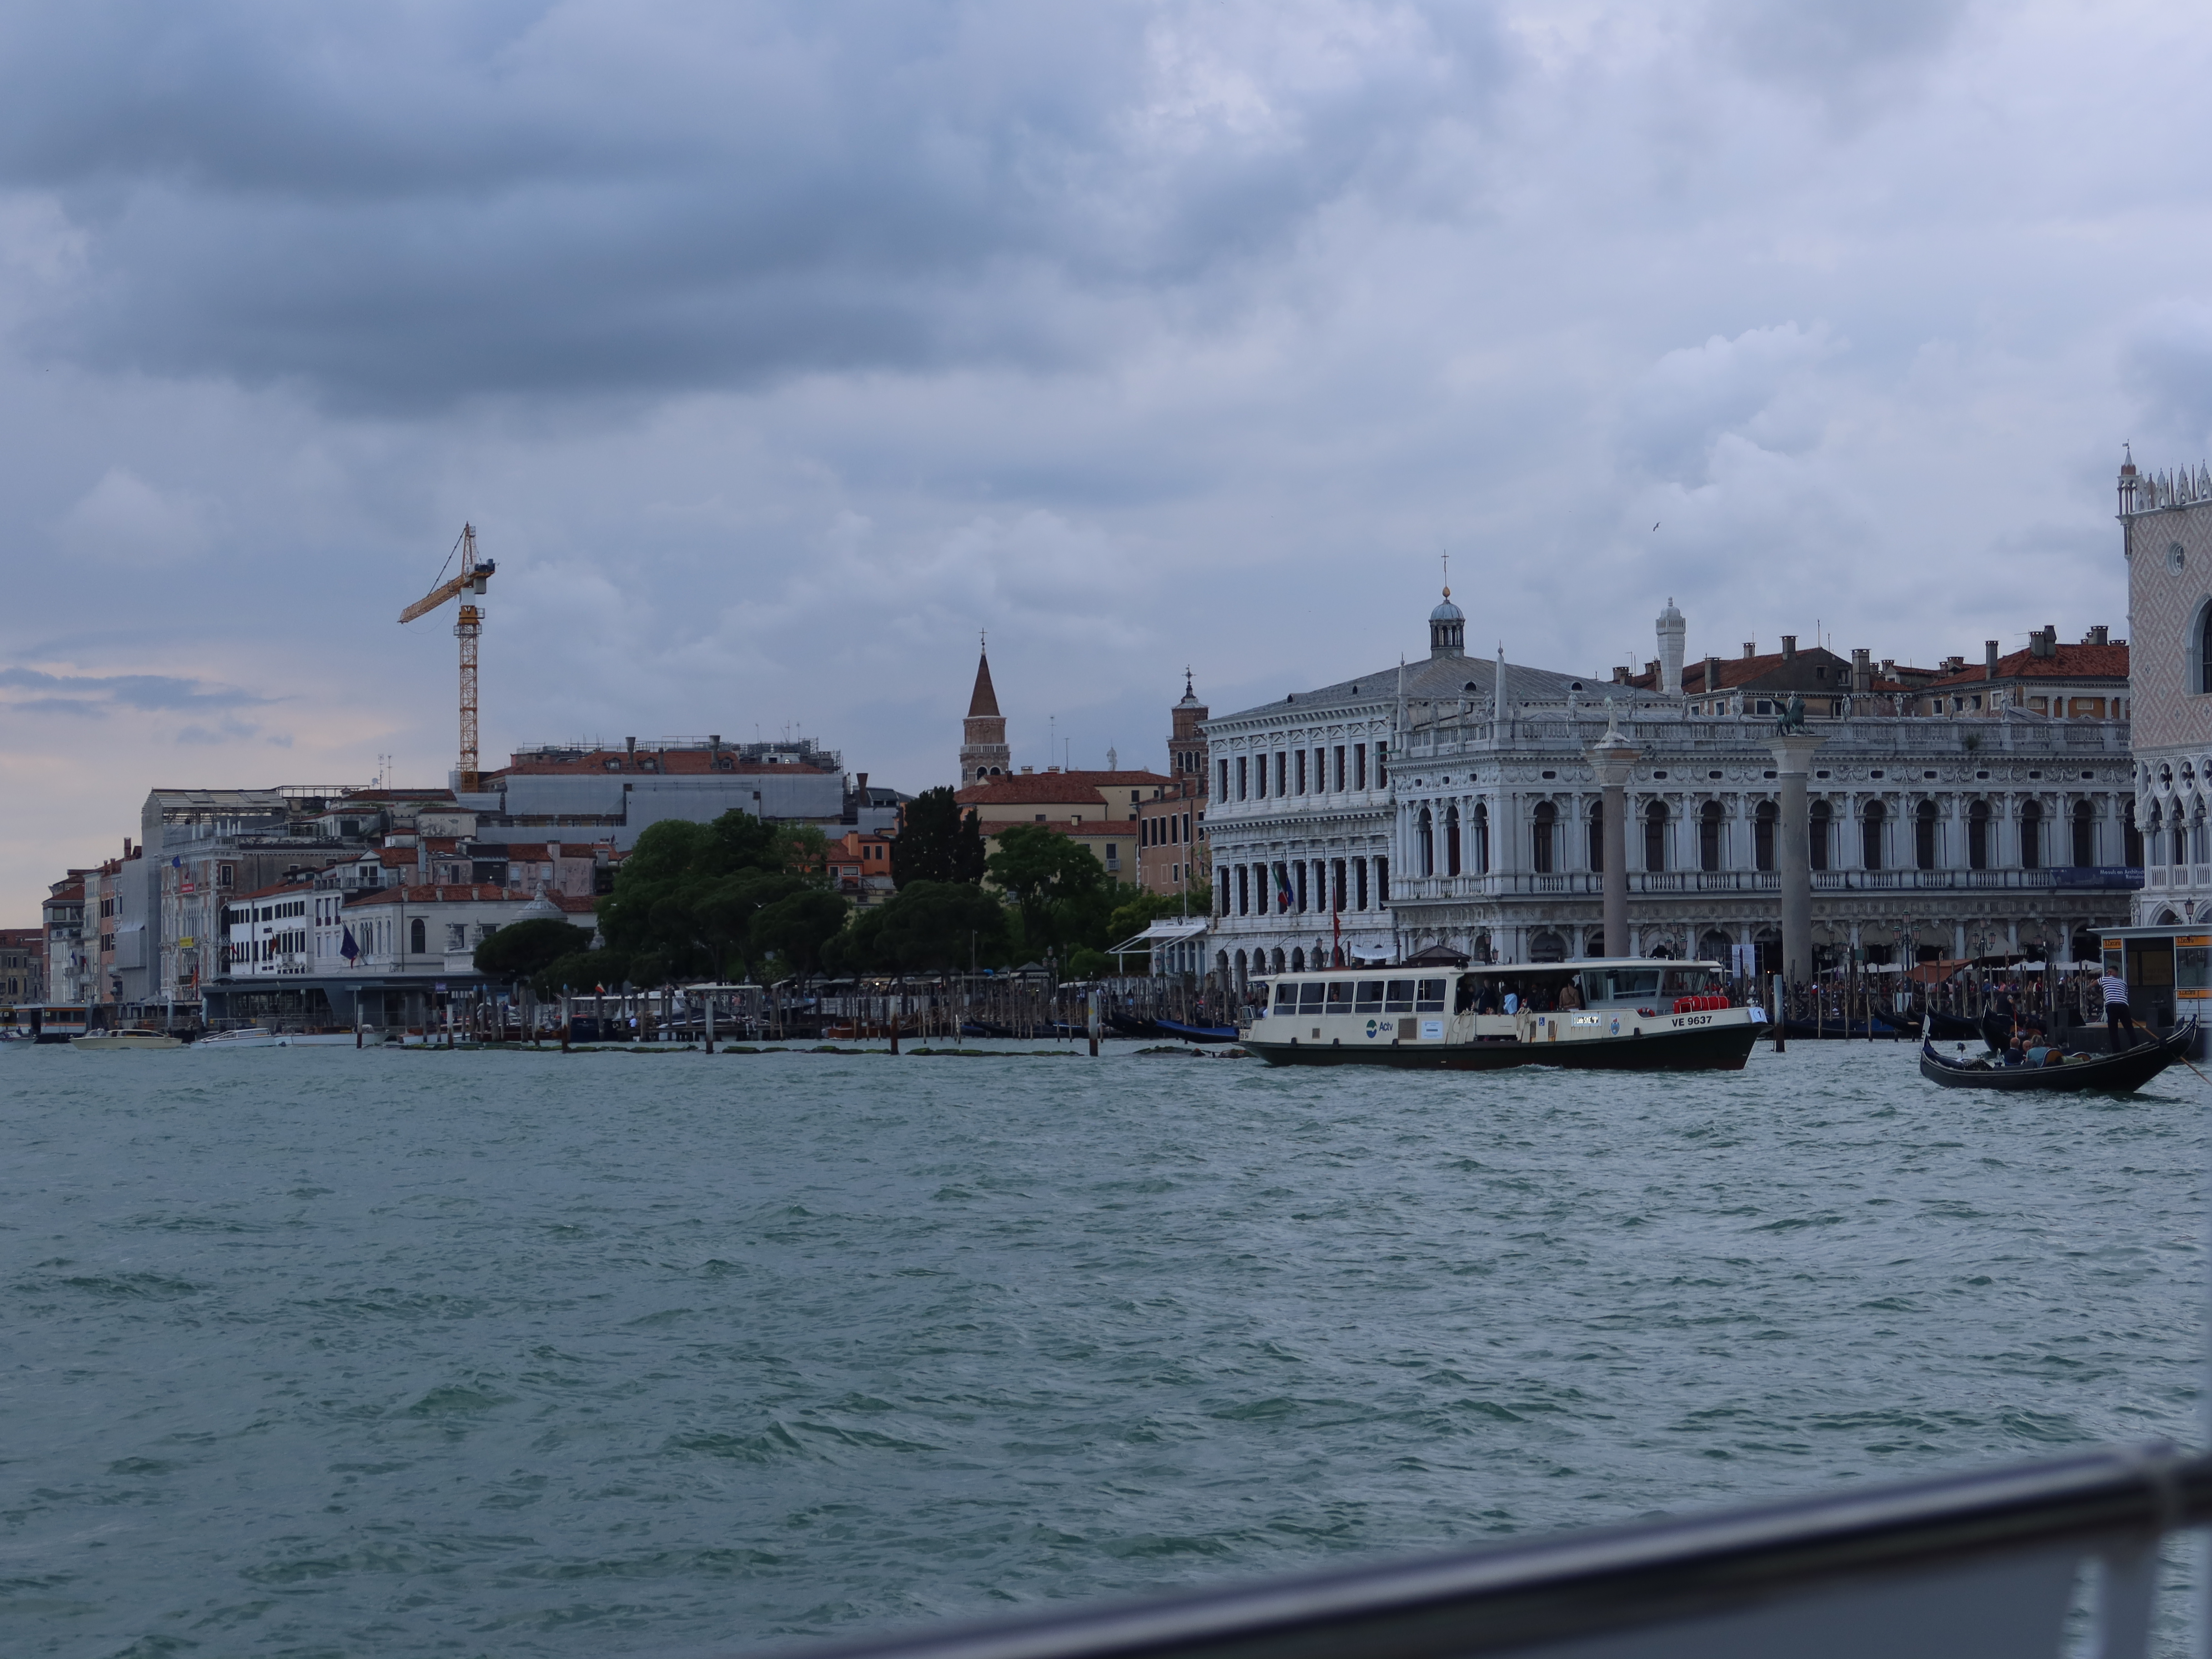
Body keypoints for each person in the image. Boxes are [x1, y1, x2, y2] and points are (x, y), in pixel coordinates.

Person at [2098, 964, 2139, 1051]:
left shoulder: (2104, 979)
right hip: (2123, 1006)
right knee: (2129, 1028)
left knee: (2113, 1030)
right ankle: (2136, 1047)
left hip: (2112, 1005)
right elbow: (2125, 996)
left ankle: (2117, 1051)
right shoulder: (2124, 983)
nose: (2107, 974)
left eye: (2108, 972)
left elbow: (2094, 984)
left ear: (2111, 972)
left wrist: (2088, 988)